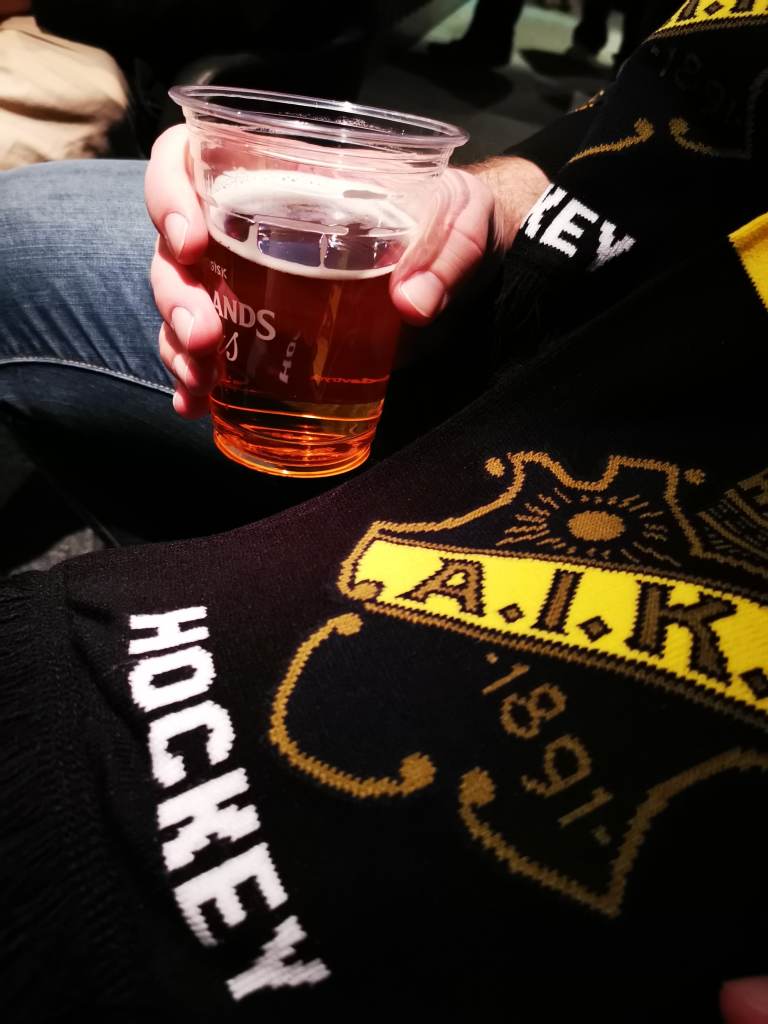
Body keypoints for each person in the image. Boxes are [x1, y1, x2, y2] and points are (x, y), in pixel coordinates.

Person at [1, 2, 768, 1020]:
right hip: (518, 313)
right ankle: (238, 546)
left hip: (643, 477)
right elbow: (637, 129)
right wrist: (485, 202)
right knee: (18, 231)